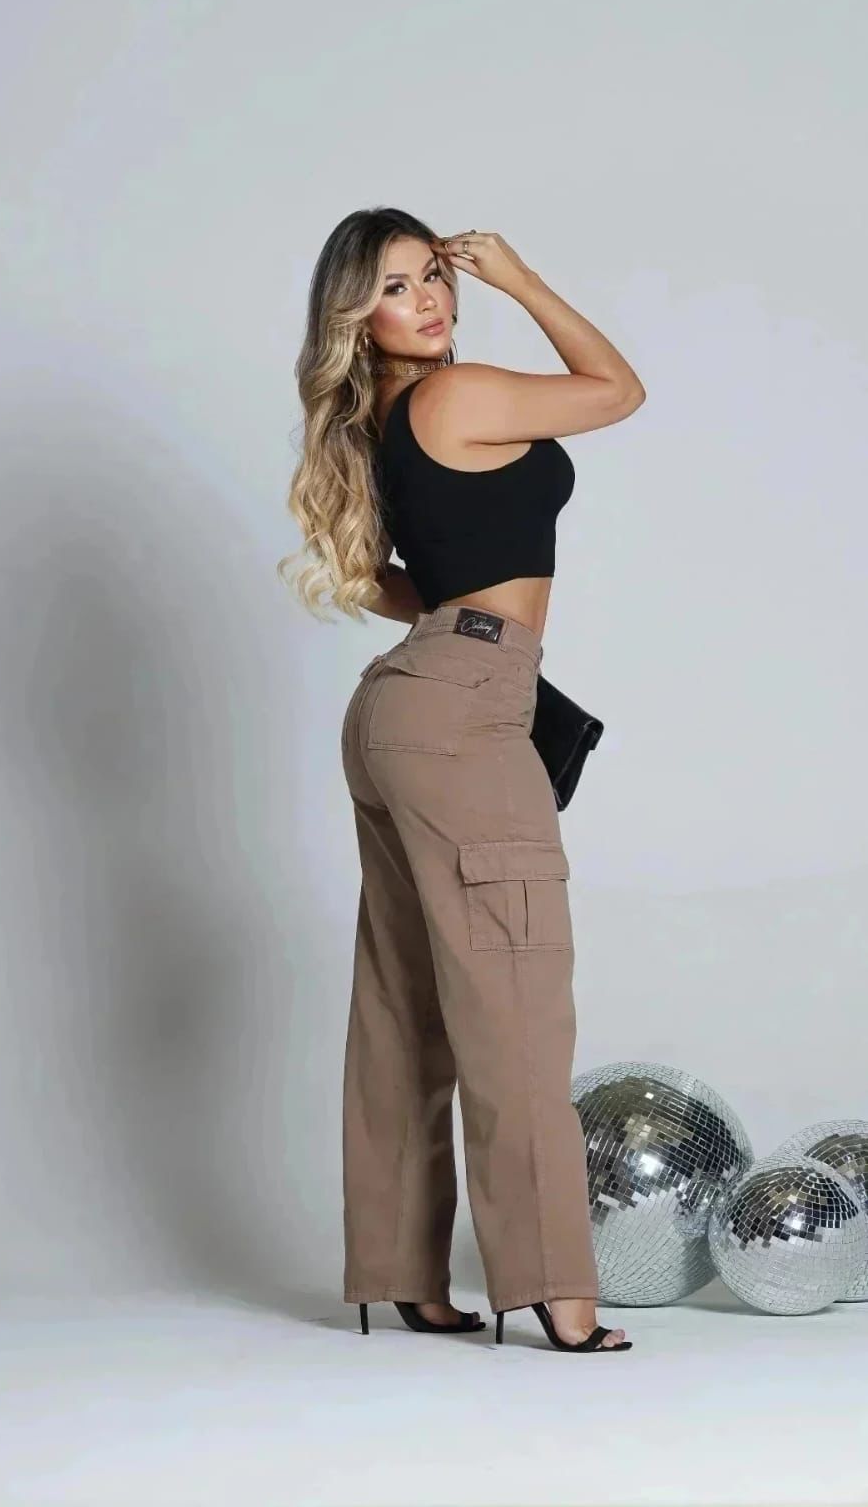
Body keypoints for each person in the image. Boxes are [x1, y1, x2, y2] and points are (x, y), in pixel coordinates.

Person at [278, 207, 645, 1352]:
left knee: (405, 1002)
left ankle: (400, 1275)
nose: (429, 299)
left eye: (433, 275)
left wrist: (456, 634)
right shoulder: (455, 399)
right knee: (516, 999)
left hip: (402, 708)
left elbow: (387, 579)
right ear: (357, 318)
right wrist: (522, 279)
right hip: (460, 710)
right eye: (395, 287)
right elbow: (615, 390)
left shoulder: (383, 422)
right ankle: (557, 1294)